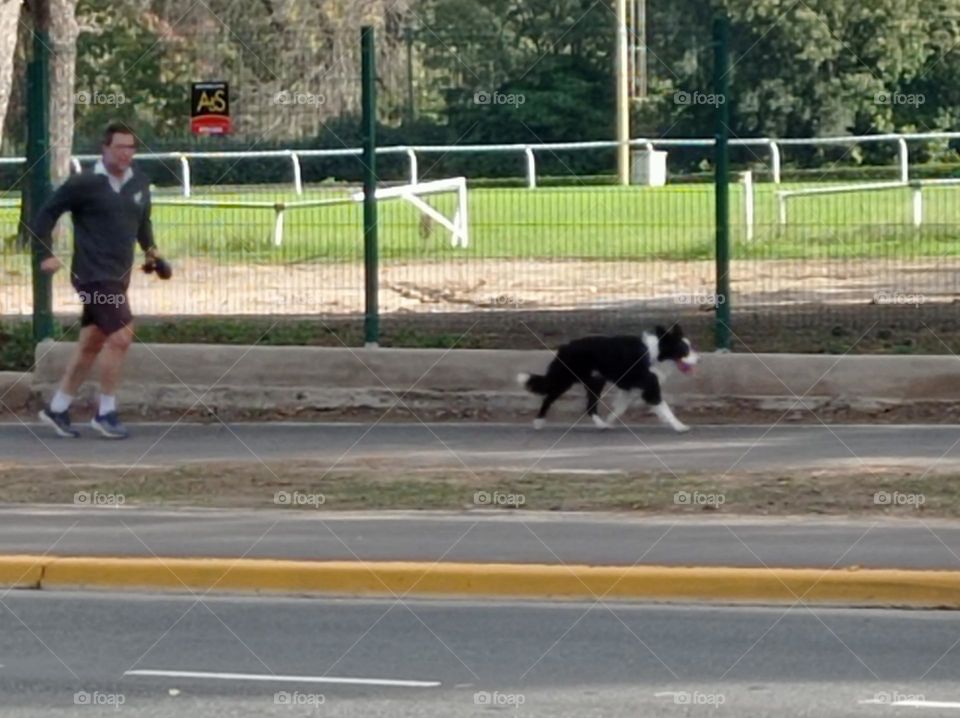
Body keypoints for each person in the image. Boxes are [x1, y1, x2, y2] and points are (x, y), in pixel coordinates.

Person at [31, 120, 166, 439]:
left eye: (130, 147)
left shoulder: (140, 183)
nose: (125, 153)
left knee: (92, 343)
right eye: (119, 146)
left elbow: (142, 223)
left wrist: (152, 253)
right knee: (121, 336)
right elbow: (45, 215)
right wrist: (45, 253)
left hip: (119, 277)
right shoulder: (83, 183)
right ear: (105, 149)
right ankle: (105, 413)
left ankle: (58, 407)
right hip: (92, 276)